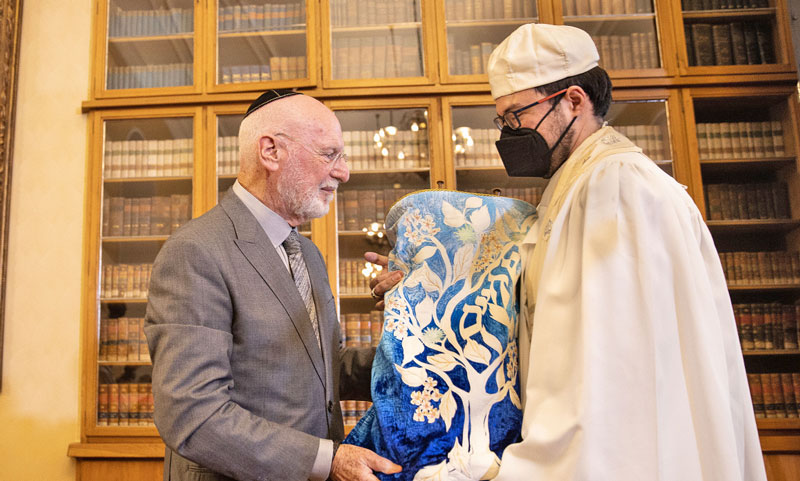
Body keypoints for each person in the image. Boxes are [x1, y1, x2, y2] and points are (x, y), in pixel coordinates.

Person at [367, 23, 766, 480]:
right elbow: (522, 300)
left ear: (574, 100)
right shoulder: (574, 185)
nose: (508, 133)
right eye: (502, 120)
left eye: (516, 115)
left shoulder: (615, 188)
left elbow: (606, 367)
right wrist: (426, 282)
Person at [145, 89, 401, 481]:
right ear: (271, 151)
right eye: (329, 154)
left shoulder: (308, 254)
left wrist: (416, 323)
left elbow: (326, 369)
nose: (343, 172)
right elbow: (193, 415)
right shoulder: (196, 251)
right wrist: (327, 461)